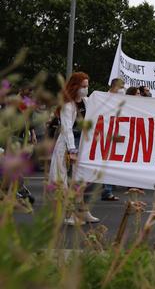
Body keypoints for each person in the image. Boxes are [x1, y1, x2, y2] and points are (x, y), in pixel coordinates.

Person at [48, 72, 99, 226]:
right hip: (69, 145)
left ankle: (82, 211)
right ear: (75, 86)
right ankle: (69, 214)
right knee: (66, 181)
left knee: (82, 179)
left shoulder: (86, 102)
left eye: (87, 86)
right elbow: (66, 129)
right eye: (83, 86)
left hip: (83, 144)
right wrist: (71, 150)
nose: (86, 89)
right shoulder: (67, 105)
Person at [99, 79, 124, 201]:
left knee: (110, 161)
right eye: (121, 87)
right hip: (105, 134)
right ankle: (106, 190)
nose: (123, 89)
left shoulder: (120, 100)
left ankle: (107, 188)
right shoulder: (103, 98)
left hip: (115, 134)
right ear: (115, 86)